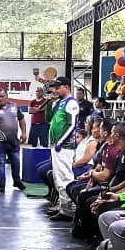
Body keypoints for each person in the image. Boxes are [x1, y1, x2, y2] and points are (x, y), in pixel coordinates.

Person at [47, 77, 79, 220]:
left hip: (64, 146)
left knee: (65, 177)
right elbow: (49, 119)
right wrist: (49, 104)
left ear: (66, 87)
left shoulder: (71, 103)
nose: (56, 90)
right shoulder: (59, 103)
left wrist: (60, 141)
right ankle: (63, 207)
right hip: (56, 145)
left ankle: (69, 209)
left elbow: (72, 125)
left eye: (58, 88)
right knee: (58, 177)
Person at [0, 89, 27, 193]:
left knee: (16, 162)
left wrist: (24, 133)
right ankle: (1, 185)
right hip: (0, 141)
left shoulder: (14, 106)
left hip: (13, 141)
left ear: (7, 96)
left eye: (2, 96)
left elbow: (21, 119)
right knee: (1, 163)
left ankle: (17, 181)